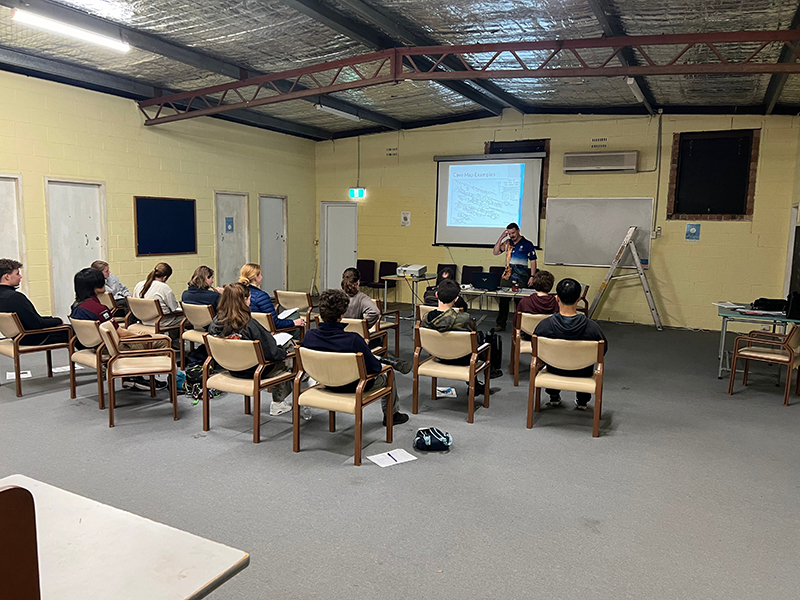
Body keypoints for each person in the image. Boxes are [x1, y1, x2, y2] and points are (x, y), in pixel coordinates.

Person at [301, 289, 410, 426]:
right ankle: (391, 416)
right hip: (354, 386)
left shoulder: (309, 336)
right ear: (342, 315)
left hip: (325, 382)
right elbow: (374, 369)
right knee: (388, 373)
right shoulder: (353, 339)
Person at [208, 283, 302, 417]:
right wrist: (284, 352)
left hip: (230, 367)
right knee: (289, 352)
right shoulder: (249, 324)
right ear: (245, 300)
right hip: (256, 371)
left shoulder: (215, 323)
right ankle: (279, 402)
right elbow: (272, 353)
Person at [70, 267, 168, 390]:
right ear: (95, 286)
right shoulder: (98, 309)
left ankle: (132, 376)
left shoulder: (76, 306)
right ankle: (143, 377)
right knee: (162, 341)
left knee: (140, 335)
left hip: (93, 345)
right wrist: (141, 336)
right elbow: (120, 333)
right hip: (110, 346)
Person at [533, 277, 608, 410]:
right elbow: (603, 350)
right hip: (583, 372)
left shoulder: (544, 326)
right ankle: (582, 401)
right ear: (579, 298)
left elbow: (536, 348)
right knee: (587, 363)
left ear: (557, 298)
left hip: (553, 371)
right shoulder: (592, 328)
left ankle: (554, 396)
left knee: (550, 359)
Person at [0, 258, 69, 345]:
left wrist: (50, 319)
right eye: (17, 274)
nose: (20, 276)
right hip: (31, 337)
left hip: (16, 337)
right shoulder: (16, 297)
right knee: (72, 330)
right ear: (7, 276)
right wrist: (58, 320)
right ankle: (87, 357)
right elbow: (36, 324)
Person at [492, 222, 537, 332]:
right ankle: (501, 324)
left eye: (513, 232)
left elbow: (533, 261)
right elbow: (496, 252)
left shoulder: (527, 244)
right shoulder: (507, 243)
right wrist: (501, 237)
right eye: (509, 233)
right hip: (507, 275)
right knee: (503, 301)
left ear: (518, 231)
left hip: (521, 275)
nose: (512, 235)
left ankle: (521, 327)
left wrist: (532, 276)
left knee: (520, 303)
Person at [238, 263, 305, 330]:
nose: (262, 277)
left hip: (244, 330)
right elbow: (275, 323)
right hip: (263, 331)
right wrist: (293, 322)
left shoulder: (237, 293)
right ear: (256, 277)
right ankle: (296, 340)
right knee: (296, 317)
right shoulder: (261, 296)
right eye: (261, 274)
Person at [132, 262, 183, 330]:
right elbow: (174, 308)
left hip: (144, 320)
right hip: (160, 321)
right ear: (165, 278)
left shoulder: (139, 284)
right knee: (186, 318)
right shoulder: (163, 287)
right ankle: (175, 340)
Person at [515, 270, 558, 341]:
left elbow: (516, 323)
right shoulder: (555, 302)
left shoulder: (525, 301)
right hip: (548, 337)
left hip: (528, 336)